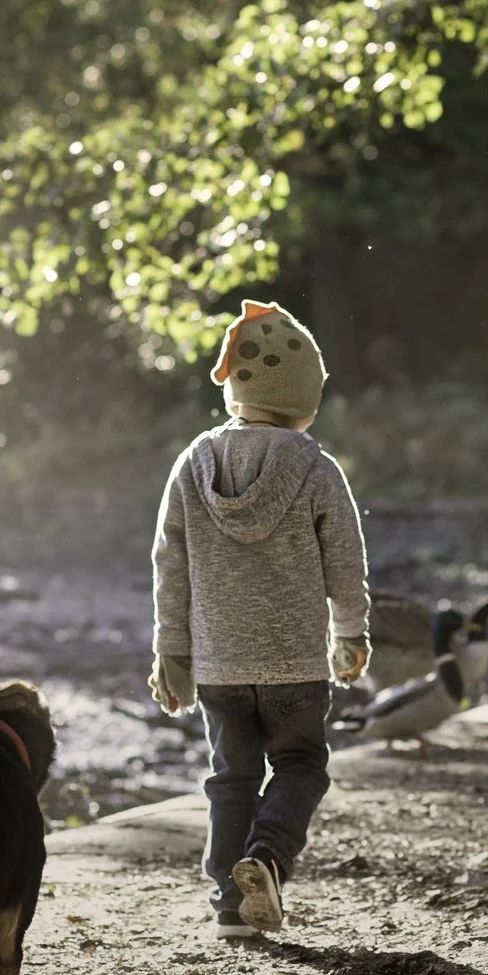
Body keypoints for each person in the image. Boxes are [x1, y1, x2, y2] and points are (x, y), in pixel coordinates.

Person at [150, 300, 370, 937]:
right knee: (301, 765)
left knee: (231, 777)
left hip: (220, 662)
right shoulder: (317, 469)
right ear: (302, 397)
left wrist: (172, 654)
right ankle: (266, 857)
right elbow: (344, 562)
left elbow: (171, 563)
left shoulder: (193, 465)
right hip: (295, 662)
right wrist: (351, 632)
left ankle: (230, 903)